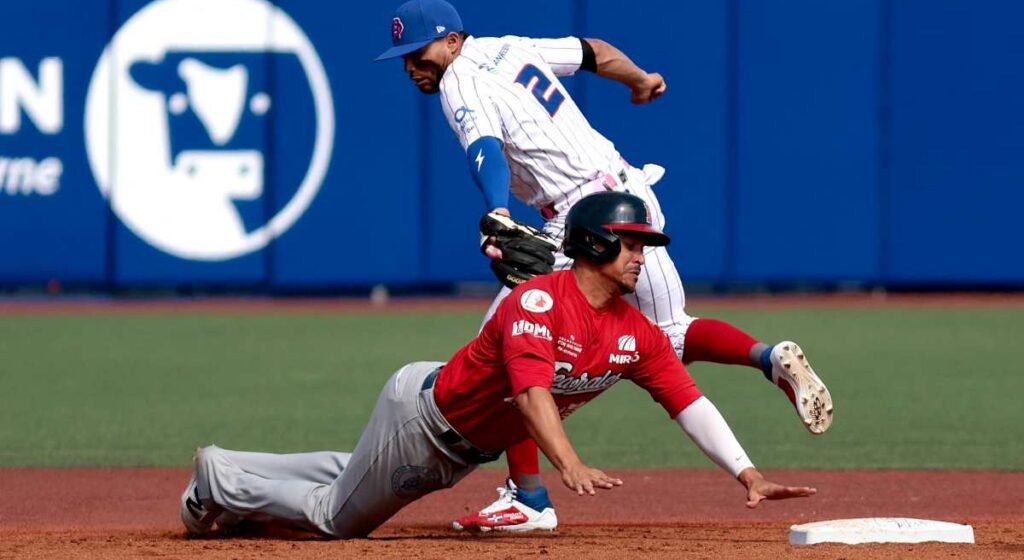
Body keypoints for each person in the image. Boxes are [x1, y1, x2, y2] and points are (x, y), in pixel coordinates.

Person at [374, 0, 833, 532]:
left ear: (452, 41)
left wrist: (497, 208)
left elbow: (485, 150)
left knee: (505, 350)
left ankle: (529, 498)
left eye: (420, 53)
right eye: (405, 57)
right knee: (669, 334)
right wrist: (641, 78)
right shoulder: (512, 47)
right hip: (631, 198)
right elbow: (593, 51)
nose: (412, 66)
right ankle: (767, 357)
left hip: (580, 219)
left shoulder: (459, 80)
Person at [179, 192, 817, 539]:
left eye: (643, 246)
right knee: (337, 520)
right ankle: (219, 482)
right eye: (632, 244)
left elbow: (688, 402)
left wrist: (748, 474)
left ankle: (238, 467)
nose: (641, 257)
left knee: (358, 474)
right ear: (594, 242)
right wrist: (568, 464)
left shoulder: (635, 332)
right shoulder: (539, 300)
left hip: (457, 437)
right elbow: (532, 394)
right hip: (426, 423)